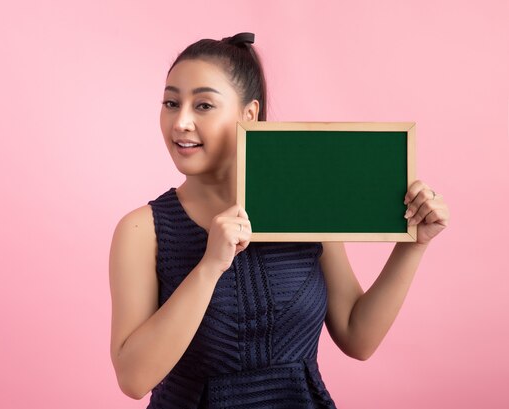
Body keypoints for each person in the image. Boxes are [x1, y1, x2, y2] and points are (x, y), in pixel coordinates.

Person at [109, 32, 450, 408]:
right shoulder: (143, 230)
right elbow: (133, 378)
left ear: (248, 115)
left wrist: (414, 245)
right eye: (171, 103)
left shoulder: (308, 206)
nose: (181, 122)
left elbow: (357, 337)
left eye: (203, 105)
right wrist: (209, 267)